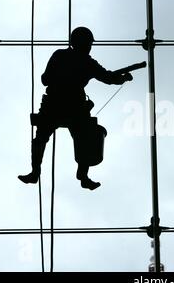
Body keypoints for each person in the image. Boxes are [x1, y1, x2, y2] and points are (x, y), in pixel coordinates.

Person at [18, 27, 132, 190]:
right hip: (70, 104)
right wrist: (121, 79)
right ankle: (80, 175)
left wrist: (121, 79)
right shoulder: (86, 62)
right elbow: (108, 77)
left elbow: (45, 79)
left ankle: (37, 172)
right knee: (82, 138)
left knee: (45, 138)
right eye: (88, 44)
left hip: (58, 103)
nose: (89, 47)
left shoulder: (64, 56)